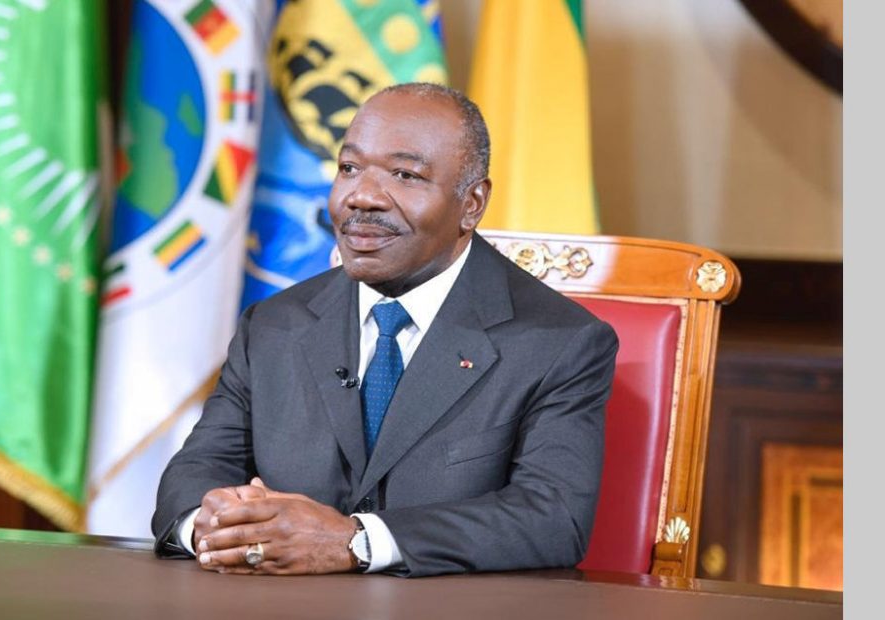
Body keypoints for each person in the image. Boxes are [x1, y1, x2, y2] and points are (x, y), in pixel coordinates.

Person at [152, 83, 619, 577]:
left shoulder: (559, 341)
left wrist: (355, 542)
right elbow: (194, 475)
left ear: (472, 203)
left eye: (405, 175)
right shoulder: (273, 325)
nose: (362, 196)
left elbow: (552, 517)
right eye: (349, 168)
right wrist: (218, 528)